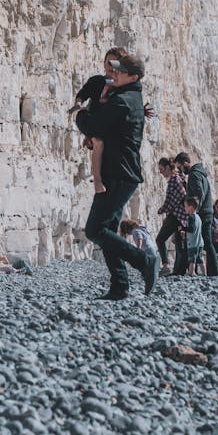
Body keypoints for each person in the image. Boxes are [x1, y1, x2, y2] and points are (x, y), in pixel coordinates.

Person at [73, 54, 158, 299]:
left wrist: (81, 113)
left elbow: (92, 126)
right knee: (108, 230)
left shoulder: (123, 101)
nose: (114, 73)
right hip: (121, 172)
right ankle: (119, 286)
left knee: (95, 230)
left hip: (119, 174)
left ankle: (143, 261)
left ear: (134, 77)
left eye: (120, 71)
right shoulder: (129, 98)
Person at [174, 152, 218, 277]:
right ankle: (212, 272)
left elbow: (199, 192)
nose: (180, 170)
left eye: (180, 167)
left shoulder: (194, 175)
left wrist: (194, 211)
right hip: (207, 211)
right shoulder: (200, 174)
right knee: (206, 243)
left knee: (199, 241)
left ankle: (208, 272)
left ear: (186, 163)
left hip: (202, 213)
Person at [155, 156, 186, 273]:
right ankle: (179, 269)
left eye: (162, 169)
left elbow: (177, 196)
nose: (161, 172)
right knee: (178, 242)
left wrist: (163, 209)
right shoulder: (179, 177)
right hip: (180, 216)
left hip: (175, 215)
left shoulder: (174, 179)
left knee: (160, 239)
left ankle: (166, 266)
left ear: (168, 167)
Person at [174, 196, 204, 276]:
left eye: (185, 206)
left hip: (193, 243)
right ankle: (205, 273)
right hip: (200, 242)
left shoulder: (191, 217)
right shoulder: (198, 217)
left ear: (190, 207)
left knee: (192, 260)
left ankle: (192, 273)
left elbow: (192, 229)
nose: (184, 208)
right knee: (200, 260)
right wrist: (185, 232)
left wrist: (182, 228)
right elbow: (196, 230)